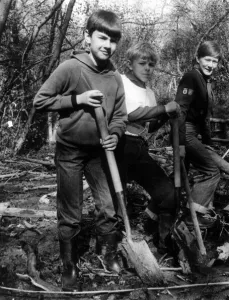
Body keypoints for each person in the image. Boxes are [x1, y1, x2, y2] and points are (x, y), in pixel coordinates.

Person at [33, 10, 127, 291]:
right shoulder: (71, 68)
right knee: (70, 210)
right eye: (101, 37)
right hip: (70, 151)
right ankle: (69, 262)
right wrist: (77, 99)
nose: (107, 45)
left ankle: (107, 253)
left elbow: (121, 116)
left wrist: (115, 134)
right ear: (87, 37)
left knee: (109, 207)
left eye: (113, 40)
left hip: (100, 153)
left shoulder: (114, 77)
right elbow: (41, 101)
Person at [120, 42, 180, 254]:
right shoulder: (120, 82)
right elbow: (129, 114)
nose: (147, 68)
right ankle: (112, 247)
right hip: (117, 145)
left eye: (151, 65)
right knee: (115, 200)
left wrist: (165, 115)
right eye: (142, 63)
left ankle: (163, 243)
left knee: (168, 194)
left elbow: (150, 126)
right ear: (130, 63)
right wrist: (162, 108)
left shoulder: (150, 93)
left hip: (138, 147)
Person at [174, 40, 221, 219]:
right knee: (212, 171)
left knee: (180, 177)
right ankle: (190, 217)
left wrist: (208, 142)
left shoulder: (204, 80)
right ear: (197, 58)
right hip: (184, 131)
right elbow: (180, 110)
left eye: (215, 61)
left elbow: (204, 118)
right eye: (207, 60)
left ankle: (159, 216)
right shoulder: (191, 77)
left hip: (191, 132)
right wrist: (180, 143)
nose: (210, 65)